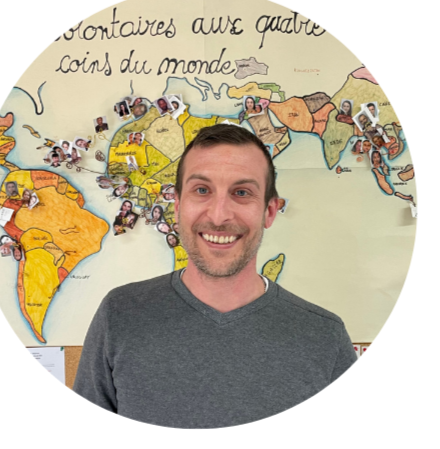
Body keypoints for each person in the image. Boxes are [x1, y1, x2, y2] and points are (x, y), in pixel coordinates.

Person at [74, 124, 357, 429]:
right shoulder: (120, 315)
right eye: (202, 190)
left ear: (269, 211)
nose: (219, 215)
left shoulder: (324, 337)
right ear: (178, 206)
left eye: (241, 193)